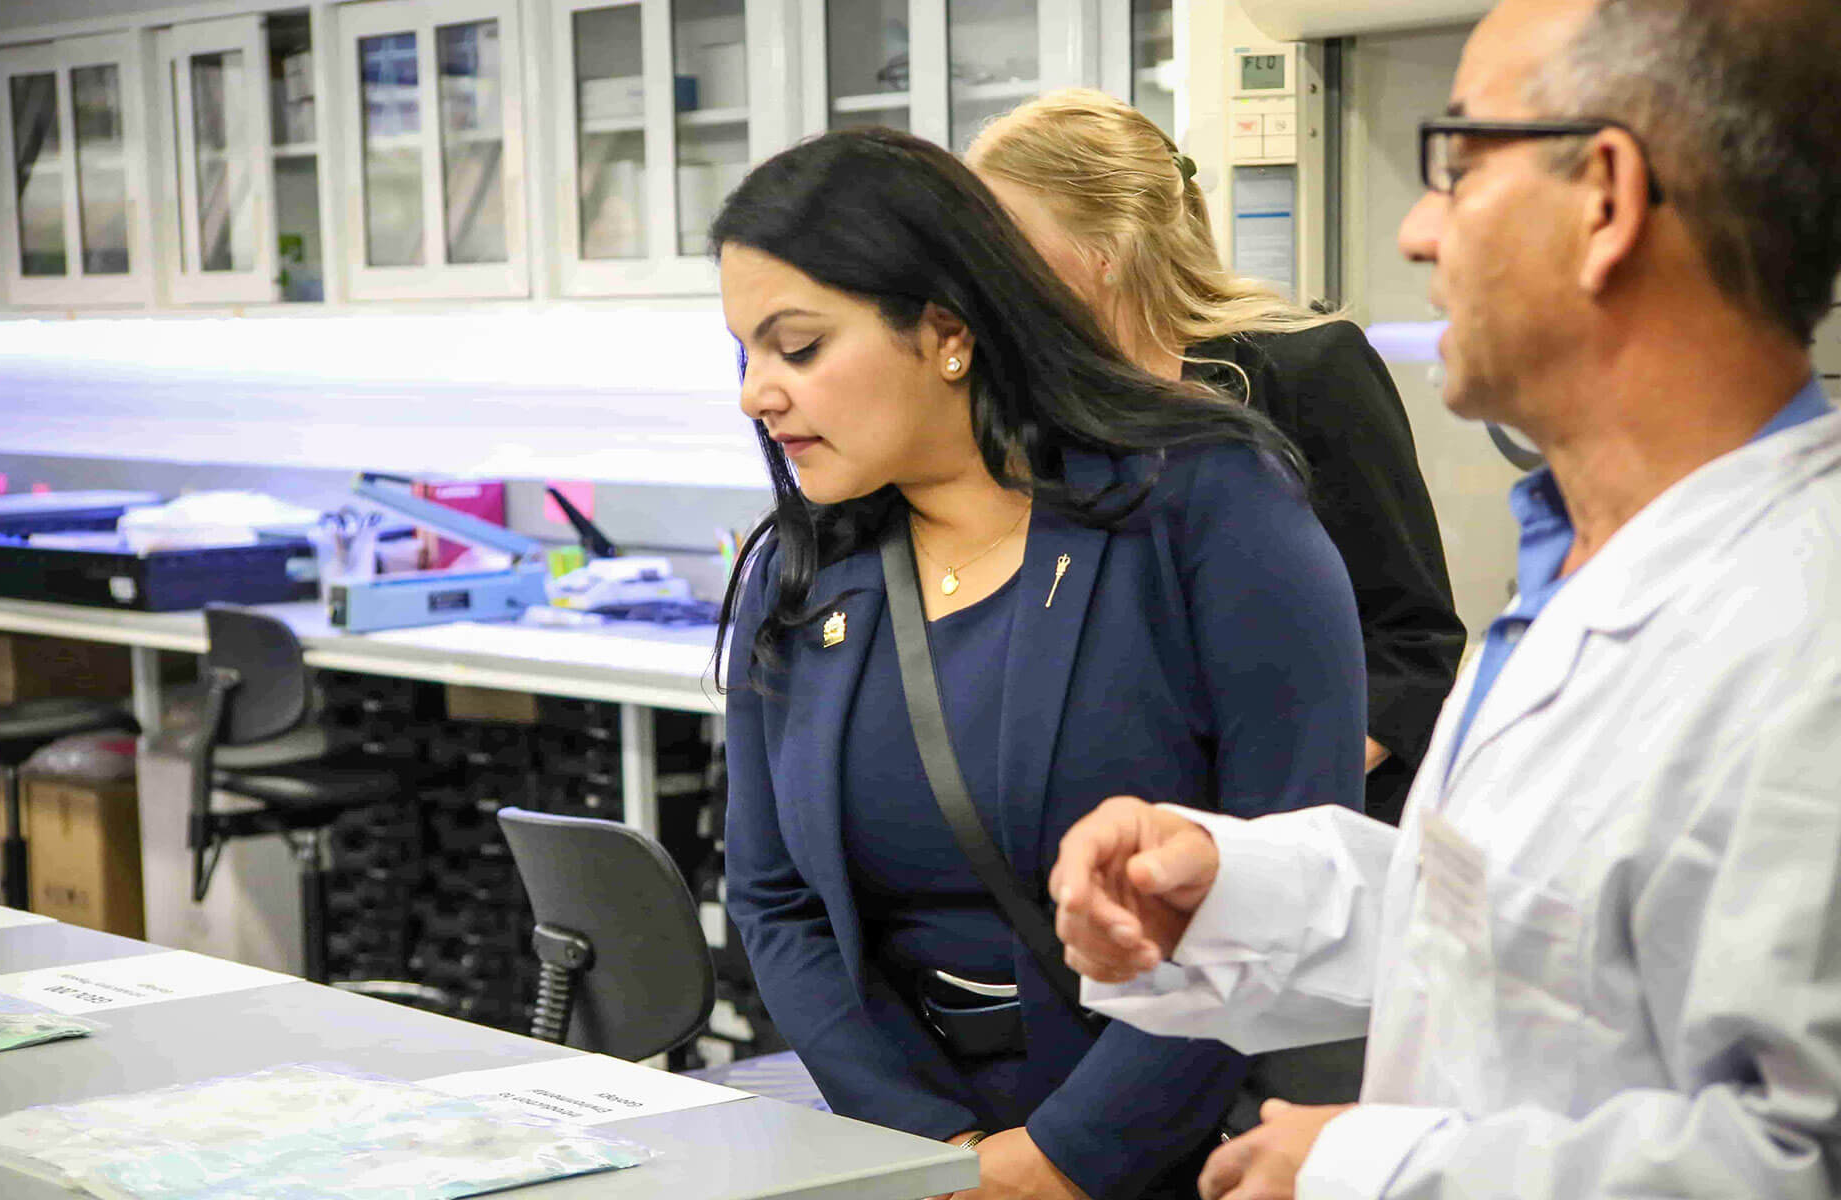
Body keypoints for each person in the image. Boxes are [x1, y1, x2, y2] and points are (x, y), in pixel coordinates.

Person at [1046, 0, 1841, 1196]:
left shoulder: (1807, 630)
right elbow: (1510, 936)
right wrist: (1234, 889)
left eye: (1458, 169)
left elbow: (1800, 1155)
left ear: (1606, 200)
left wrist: (1370, 1167)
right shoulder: (1590, 559)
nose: (1420, 229)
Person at [711, 127, 1367, 1200]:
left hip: (1192, 1145)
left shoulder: (1203, 504)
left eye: (797, 348)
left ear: (946, 330)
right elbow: (775, 901)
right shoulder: (802, 569)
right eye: (745, 353)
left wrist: (1069, 1155)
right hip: (919, 1156)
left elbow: (1291, 863)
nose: (756, 394)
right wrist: (934, 1148)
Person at [968, 90, 1465, 826]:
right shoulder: (1030, 412)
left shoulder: (1303, 371)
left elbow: (1412, 647)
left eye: (1002, 242)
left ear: (1104, 251)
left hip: (1297, 841)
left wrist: (1259, 803)